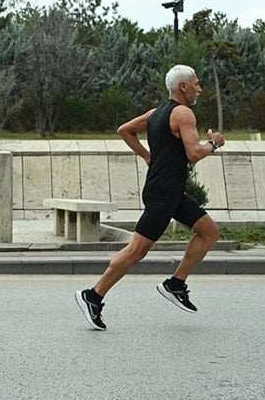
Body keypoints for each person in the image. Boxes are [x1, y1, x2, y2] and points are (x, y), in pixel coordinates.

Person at [75, 64, 225, 331]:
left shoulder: (157, 113)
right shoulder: (183, 113)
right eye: (196, 83)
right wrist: (213, 144)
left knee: (209, 232)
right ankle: (93, 295)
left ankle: (175, 284)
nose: (199, 88)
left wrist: (147, 156)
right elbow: (193, 153)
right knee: (136, 250)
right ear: (183, 87)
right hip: (164, 194)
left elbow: (124, 129)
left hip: (169, 191)